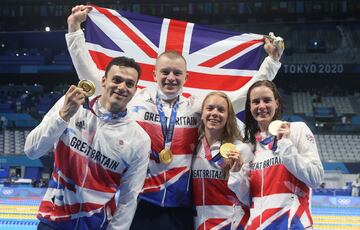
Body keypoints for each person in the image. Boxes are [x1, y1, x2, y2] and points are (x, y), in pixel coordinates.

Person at [66, 5, 284, 230]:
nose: (171, 77)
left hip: (181, 208)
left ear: (186, 77)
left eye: (177, 73)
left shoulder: (195, 106)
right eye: (165, 72)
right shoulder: (136, 101)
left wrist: (271, 63)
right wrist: (74, 30)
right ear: (154, 74)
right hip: (141, 203)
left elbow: (238, 99)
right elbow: (91, 79)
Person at [24, 57, 151, 230]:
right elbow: (31, 151)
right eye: (117, 80)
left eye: (129, 84)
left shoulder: (139, 139)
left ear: (135, 90)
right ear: (104, 81)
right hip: (53, 220)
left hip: (96, 226)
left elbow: (129, 198)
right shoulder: (70, 106)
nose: (122, 87)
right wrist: (63, 116)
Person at [228, 80, 324, 229]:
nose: (261, 106)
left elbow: (316, 178)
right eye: (255, 102)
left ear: (277, 103)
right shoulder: (250, 147)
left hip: (292, 225)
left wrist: (286, 146)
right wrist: (235, 174)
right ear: (250, 106)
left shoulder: (296, 130)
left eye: (267, 100)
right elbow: (247, 199)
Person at [192, 91, 253, 229]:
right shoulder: (192, 148)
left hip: (231, 224)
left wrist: (237, 174)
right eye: (210, 108)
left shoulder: (240, 149)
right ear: (202, 113)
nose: (215, 113)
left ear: (228, 117)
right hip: (199, 223)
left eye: (221, 110)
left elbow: (250, 198)